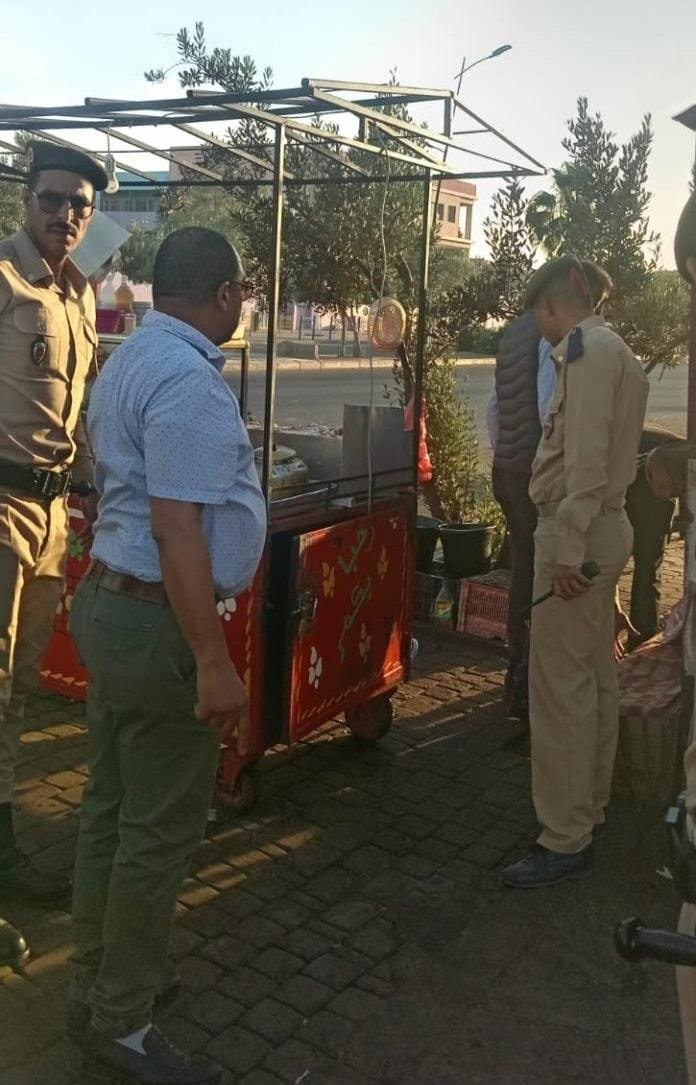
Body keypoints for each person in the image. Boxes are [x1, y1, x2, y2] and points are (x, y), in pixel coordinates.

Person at [68, 227, 265, 1084]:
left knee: (110, 809)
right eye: (243, 293)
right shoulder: (188, 380)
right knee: (154, 832)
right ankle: (122, 1017)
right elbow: (178, 529)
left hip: (115, 605)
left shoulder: (134, 359)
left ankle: (96, 980)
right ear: (223, 295)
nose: (244, 305)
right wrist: (213, 661)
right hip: (159, 622)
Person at [502, 255, 648, 888]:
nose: (538, 326)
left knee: (559, 689)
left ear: (550, 306)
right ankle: (589, 810)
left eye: (538, 313)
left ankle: (564, 837)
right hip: (603, 528)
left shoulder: (585, 354)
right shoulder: (618, 351)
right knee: (591, 677)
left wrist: (565, 549)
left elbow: (584, 463)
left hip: (577, 532)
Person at [0, 142, 106, 905]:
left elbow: (81, 408)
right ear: (25, 199)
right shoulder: (4, 280)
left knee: (18, 688)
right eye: (52, 198)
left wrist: (94, 481)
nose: (65, 214)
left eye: (79, 205)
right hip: (1, 506)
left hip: (51, 515)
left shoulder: (79, 296)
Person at [487, 260, 613, 719]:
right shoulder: (558, 336)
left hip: (507, 471)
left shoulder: (511, 334)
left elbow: (494, 411)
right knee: (539, 580)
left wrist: (507, 458)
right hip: (536, 479)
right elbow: (550, 411)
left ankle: (515, 679)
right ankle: (527, 687)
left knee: (523, 572)